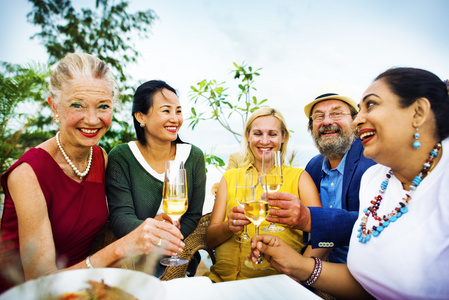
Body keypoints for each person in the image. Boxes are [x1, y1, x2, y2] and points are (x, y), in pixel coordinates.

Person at [249, 67, 449, 299]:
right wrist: (297, 265)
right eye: (318, 117)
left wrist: (310, 220)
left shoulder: (376, 166)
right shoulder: (373, 180)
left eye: (371, 105)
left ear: (418, 112)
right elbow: (368, 283)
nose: (359, 121)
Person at [0, 54, 184, 293]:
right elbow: (41, 284)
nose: (92, 119)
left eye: (103, 106)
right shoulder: (28, 173)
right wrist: (122, 247)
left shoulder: (100, 158)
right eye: (77, 104)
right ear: (54, 106)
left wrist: (150, 227)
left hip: (86, 289)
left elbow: (114, 222)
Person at [206, 107, 325, 282]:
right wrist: (228, 227)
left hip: (277, 285)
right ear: (248, 136)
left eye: (272, 134)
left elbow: (322, 235)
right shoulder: (231, 177)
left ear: (283, 137)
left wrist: (299, 272)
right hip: (220, 282)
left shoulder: (300, 178)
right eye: (257, 133)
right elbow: (209, 240)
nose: (264, 140)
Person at [105, 80, 206, 277]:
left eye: (178, 111)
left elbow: (193, 215)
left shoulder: (193, 157)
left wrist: (168, 241)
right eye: (166, 111)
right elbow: (120, 218)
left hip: (178, 257)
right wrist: (154, 233)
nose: (175, 119)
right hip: (132, 257)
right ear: (140, 116)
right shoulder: (122, 156)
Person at [296, 90, 376, 263]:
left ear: (355, 122)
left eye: (336, 113)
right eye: (318, 116)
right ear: (311, 128)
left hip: (362, 269)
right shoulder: (313, 167)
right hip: (322, 267)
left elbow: (373, 221)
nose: (327, 121)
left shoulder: (372, 161)